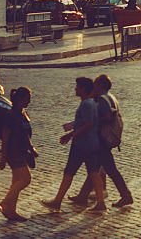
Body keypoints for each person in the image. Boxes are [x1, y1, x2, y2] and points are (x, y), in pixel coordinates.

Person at [42, 77, 106, 212]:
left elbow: (89, 124)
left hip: (82, 144)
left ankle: (57, 201)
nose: (75, 89)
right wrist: (73, 125)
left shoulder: (86, 104)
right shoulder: (92, 103)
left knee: (69, 172)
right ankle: (100, 203)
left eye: (77, 87)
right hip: (93, 143)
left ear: (83, 89)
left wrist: (70, 135)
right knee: (94, 173)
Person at [68, 75, 132, 208]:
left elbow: (107, 116)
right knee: (95, 168)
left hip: (102, 139)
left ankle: (125, 195)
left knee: (108, 169)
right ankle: (83, 195)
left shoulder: (103, 99)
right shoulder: (111, 97)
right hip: (104, 139)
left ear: (101, 85)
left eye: (96, 84)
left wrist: (94, 122)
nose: (93, 87)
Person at [0, 87, 37, 221]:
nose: (29, 101)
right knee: (26, 179)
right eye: (28, 98)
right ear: (20, 99)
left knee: (16, 181)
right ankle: (5, 202)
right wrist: (3, 157)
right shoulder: (11, 115)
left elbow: (25, 134)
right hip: (13, 152)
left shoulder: (23, 113)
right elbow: (5, 136)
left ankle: (11, 211)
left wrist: (31, 148)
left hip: (22, 151)